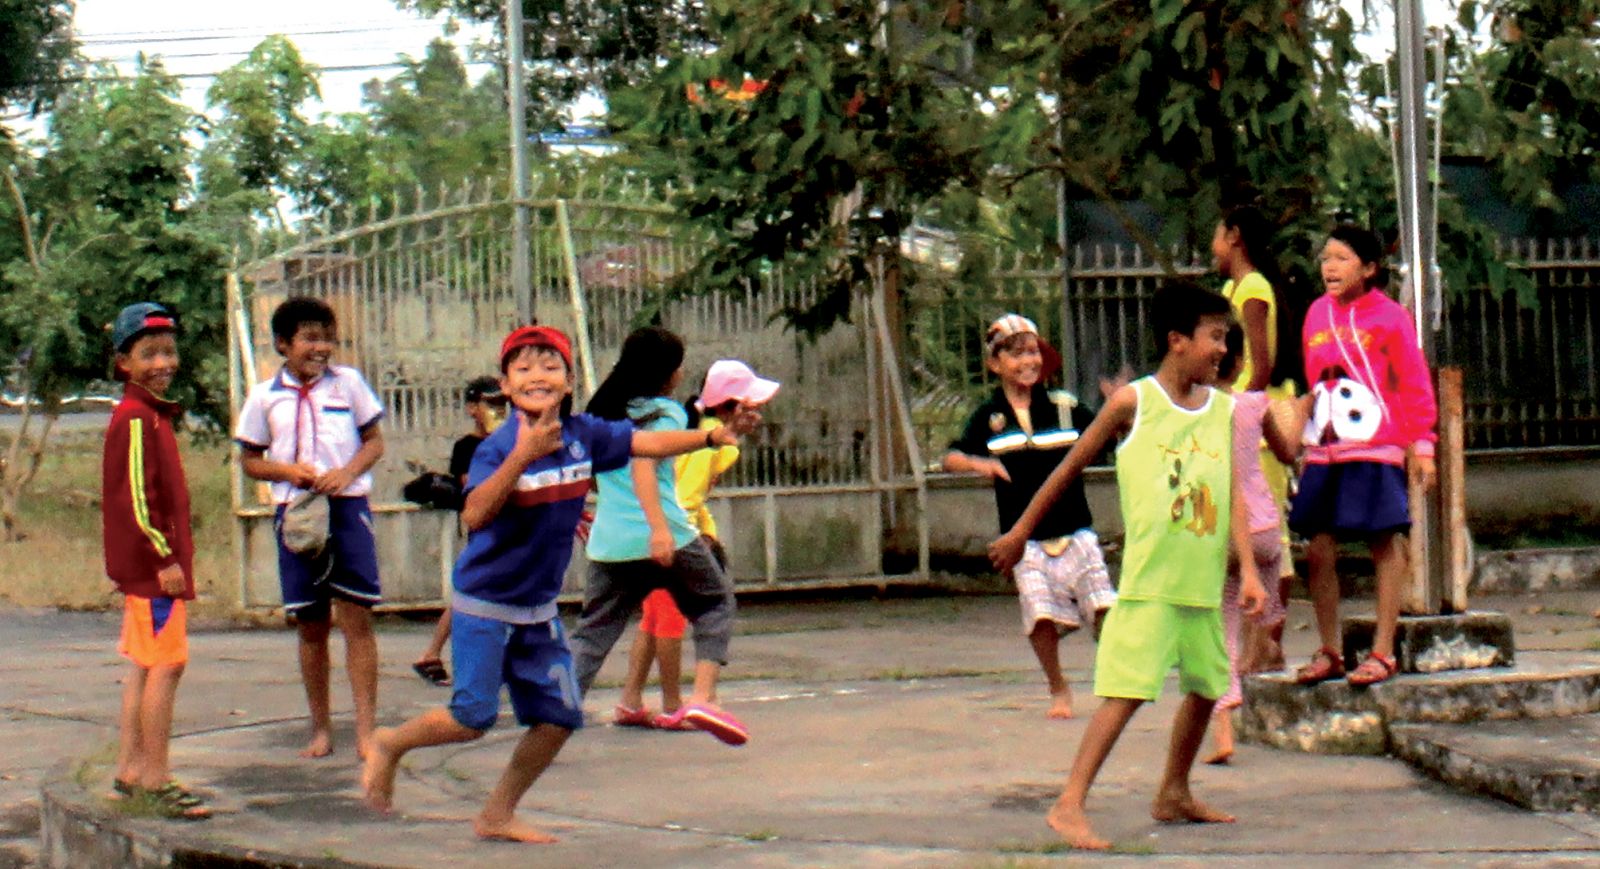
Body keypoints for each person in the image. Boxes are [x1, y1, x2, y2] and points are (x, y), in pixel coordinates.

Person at [360, 325, 753, 843]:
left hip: (537, 610)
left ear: (569, 382)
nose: (537, 376)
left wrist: (711, 436)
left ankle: (497, 814)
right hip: (485, 605)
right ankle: (390, 743)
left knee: (560, 717)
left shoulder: (583, 435)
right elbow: (474, 515)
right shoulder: (496, 449)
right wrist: (523, 456)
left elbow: (648, 443)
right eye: (523, 368)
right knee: (471, 718)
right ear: (506, 385)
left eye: (550, 367)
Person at [988, 281, 1267, 851]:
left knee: (1208, 687)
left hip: (1200, 583)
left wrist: (1252, 571)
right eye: (1214, 337)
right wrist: (1019, 533)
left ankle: (1174, 791)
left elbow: (1232, 489)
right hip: (1151, 585)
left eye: (1226, 338)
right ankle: (1069, 804)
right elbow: (1066, 469)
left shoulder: (1223, 409)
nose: (1223, 349)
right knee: (1127, 693)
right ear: (1177, 340)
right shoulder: (1134, 403)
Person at [568, 327, 752, 746]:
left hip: (610, 541)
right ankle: (702, 698)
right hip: (664, 533)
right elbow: (643, 464)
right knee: (714, 602)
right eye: (678, 365)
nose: (681, 372)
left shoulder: (600, 414)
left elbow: (594, 476)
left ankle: (557, 710)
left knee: (593, 633)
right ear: (665, 372)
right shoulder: (661, 413)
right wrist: (657, 528)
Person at [235, 296, 386, 759]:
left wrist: (346, 472)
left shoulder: (348, 384)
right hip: (297, 512)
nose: (321, 348)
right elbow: (250, 461)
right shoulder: (265, 396)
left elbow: (374, 442)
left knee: (356, 618)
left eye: (327, 339)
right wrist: (289, 472)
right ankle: (320, 728)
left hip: (347, 507)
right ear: (283, 344)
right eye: (310, 339)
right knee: (310, 622)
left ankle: (366, 731)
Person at [944, 314, 1114, 719]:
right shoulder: (989, 417)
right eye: (1017, 354)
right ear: (995, 363)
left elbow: (1107, 433)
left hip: (1076, 530)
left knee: (1105, 610)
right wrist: (980, 464)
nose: (1028, 362)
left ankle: (1115, 682)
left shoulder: (1065, 407)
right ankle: (1058, 687)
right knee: (1039, 618)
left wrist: (1117, 407)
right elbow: (951, 457)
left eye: (1033, 352)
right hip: (1024, 540)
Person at [1290, 225, 1437, 687]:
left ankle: (1383, 651)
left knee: (1383, 541)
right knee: (1318, 548)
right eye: (1325, 258)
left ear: (1369, 268)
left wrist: (1423, 446)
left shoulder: (1392, 317)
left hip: (1377, 446)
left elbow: (1413, 383)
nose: (1329, 267)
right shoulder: (1315, 314)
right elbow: (1313, 383)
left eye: (1342, 258)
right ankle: (1330, 650)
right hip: (1325, 450)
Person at [613, 359, 780, 730]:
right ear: (731, 406)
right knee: (671, 618)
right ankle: (674, 705)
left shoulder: (701, 432)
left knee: (654, 617)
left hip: (658, 531)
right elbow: (683, 497)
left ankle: (631, 700)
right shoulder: (706, 441)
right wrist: (690, 538)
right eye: (750, 403)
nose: (757, 411)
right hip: (666, 536)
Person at [101, 303, 210, 821]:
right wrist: (164, 556)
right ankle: (155, 778)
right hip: (153, 572)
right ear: (124, 363)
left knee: (145, 666)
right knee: (167, 666)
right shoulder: (137, 418)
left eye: (168, 351)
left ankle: (129, 770)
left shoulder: (147, 414)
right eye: (149, 354)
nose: (163, 362)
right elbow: (137, 499)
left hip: (147, 569)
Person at [1205, 325, 1299, 765]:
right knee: (1266, 609)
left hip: (1220, 530)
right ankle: (1261, 657)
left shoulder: (1200, 411)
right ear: (1240, 363)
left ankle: (1224, 721)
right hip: (1264, 528)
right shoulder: (1255, 404)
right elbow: (1286, 451)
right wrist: (1302, 409)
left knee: (1223, 626)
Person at [1212, 205, 1300, 672]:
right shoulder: (1231, 289)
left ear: (1234, 236)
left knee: (1270, 533)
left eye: (1217, 234)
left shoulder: (1253, 288)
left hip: (1256, 424)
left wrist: (1235, 407)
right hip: (1240, 413)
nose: (1213, 246)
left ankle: (1268, 641)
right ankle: (1251, 643)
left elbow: (1260, 365)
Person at [412, 376, 508, 687]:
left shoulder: (512, 440)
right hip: (487, 528)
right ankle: (434, 654)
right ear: (472, 408)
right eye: (489, 403)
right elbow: (473, 484)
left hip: (511, 526)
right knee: (472, 592)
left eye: (501, 403)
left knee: (478, 593)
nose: (497, 410)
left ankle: (434, 654)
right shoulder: (468, 446)